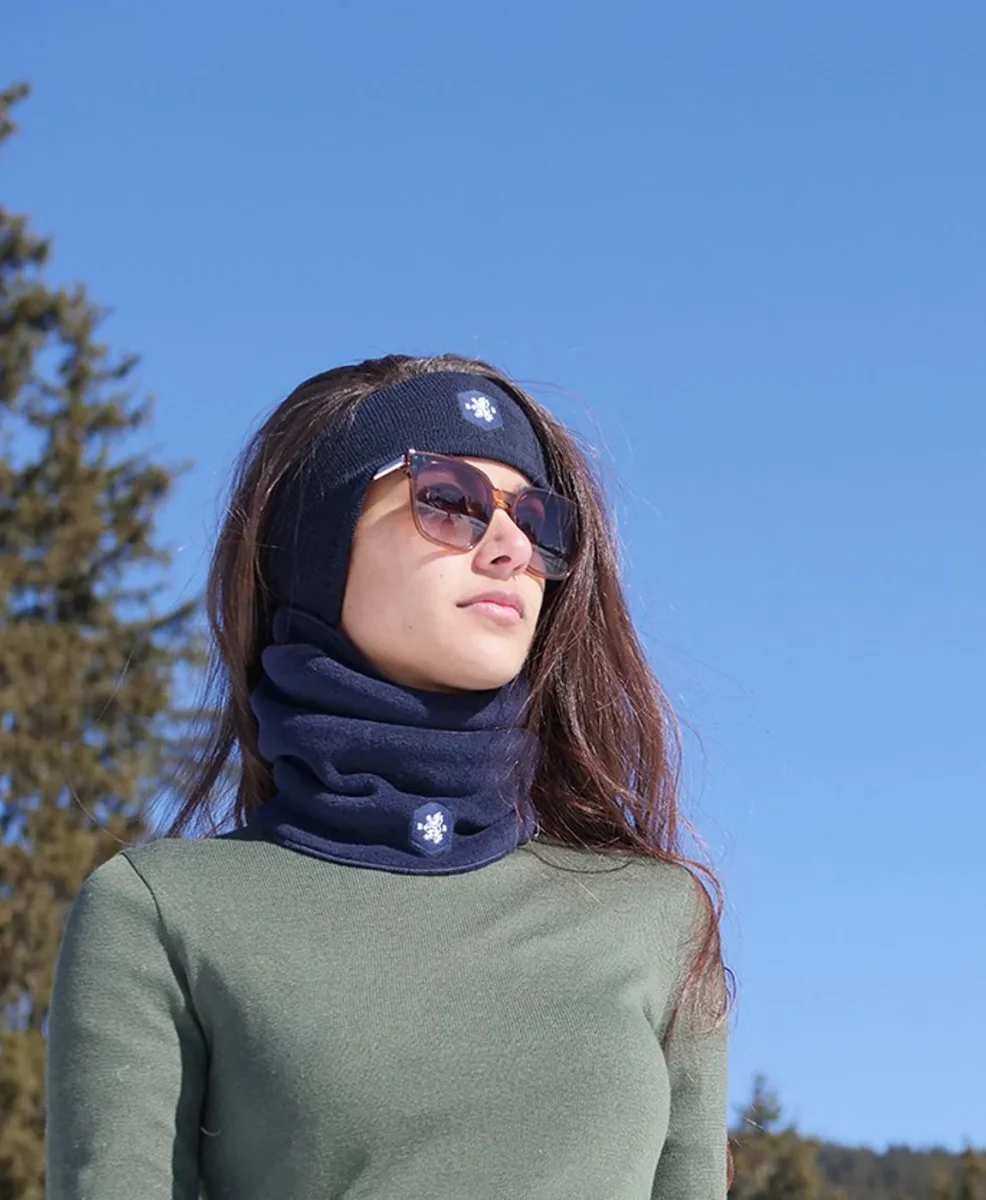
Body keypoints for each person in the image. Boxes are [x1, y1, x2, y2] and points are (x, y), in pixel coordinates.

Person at [45, 353, 734, 1199]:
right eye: (449, 501)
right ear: (317, 547)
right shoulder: (161, 914)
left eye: (535, 518)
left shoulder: (657, 920)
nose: (511, 547)